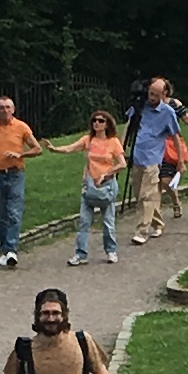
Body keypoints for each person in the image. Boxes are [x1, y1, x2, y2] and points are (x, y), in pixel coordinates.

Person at [0, 95, 42, 267]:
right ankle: (5, 250)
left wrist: (20, 154)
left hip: (16, 174)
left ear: (13, 110)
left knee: (14, 212)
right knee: (1, 216)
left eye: (8, 107)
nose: (5, 110)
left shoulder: (21, 127)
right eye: (1, 107)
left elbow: (37, 149)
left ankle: (11, 250)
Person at [127, 78, 185, 243]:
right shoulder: (140, 107)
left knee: (147, 196)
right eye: (151, 93)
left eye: (156, 95)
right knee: (140, 195)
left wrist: (180, 161)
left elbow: (175, 137)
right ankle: (158, 223)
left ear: (164, 94)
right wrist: (121, 150)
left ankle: (141, 232)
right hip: (137, 157)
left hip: (153, 160)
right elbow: (129, 126)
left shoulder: (168, 112)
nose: (152, 97)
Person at [70, 106, 126, 264]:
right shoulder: (88, 140)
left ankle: (111, 251)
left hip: (106, 186)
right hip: (90, 185)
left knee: (108, 221)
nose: (97, 123)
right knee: (84, 221)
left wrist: (106, 174)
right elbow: (71, 148)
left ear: (107, 124)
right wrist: (54, 149)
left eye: (101, 121)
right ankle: (80, 254)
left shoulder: (113, 142)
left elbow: (122, 164)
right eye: (94, 120)